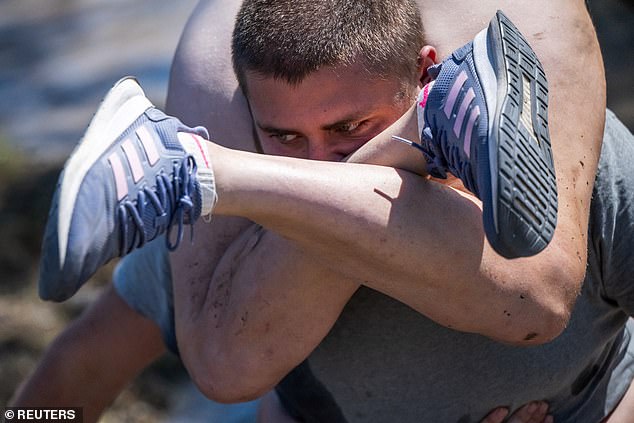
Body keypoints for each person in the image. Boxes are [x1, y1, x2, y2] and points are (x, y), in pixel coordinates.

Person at [14, 0, 628, 421]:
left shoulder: (580, 169)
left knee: (535, 293)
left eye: (349, 128)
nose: (319, 165)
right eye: (283, 138)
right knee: (227, 365)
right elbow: (71, 381)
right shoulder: (243, 234)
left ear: (421, 74)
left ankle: (199, 161)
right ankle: (420, 134)